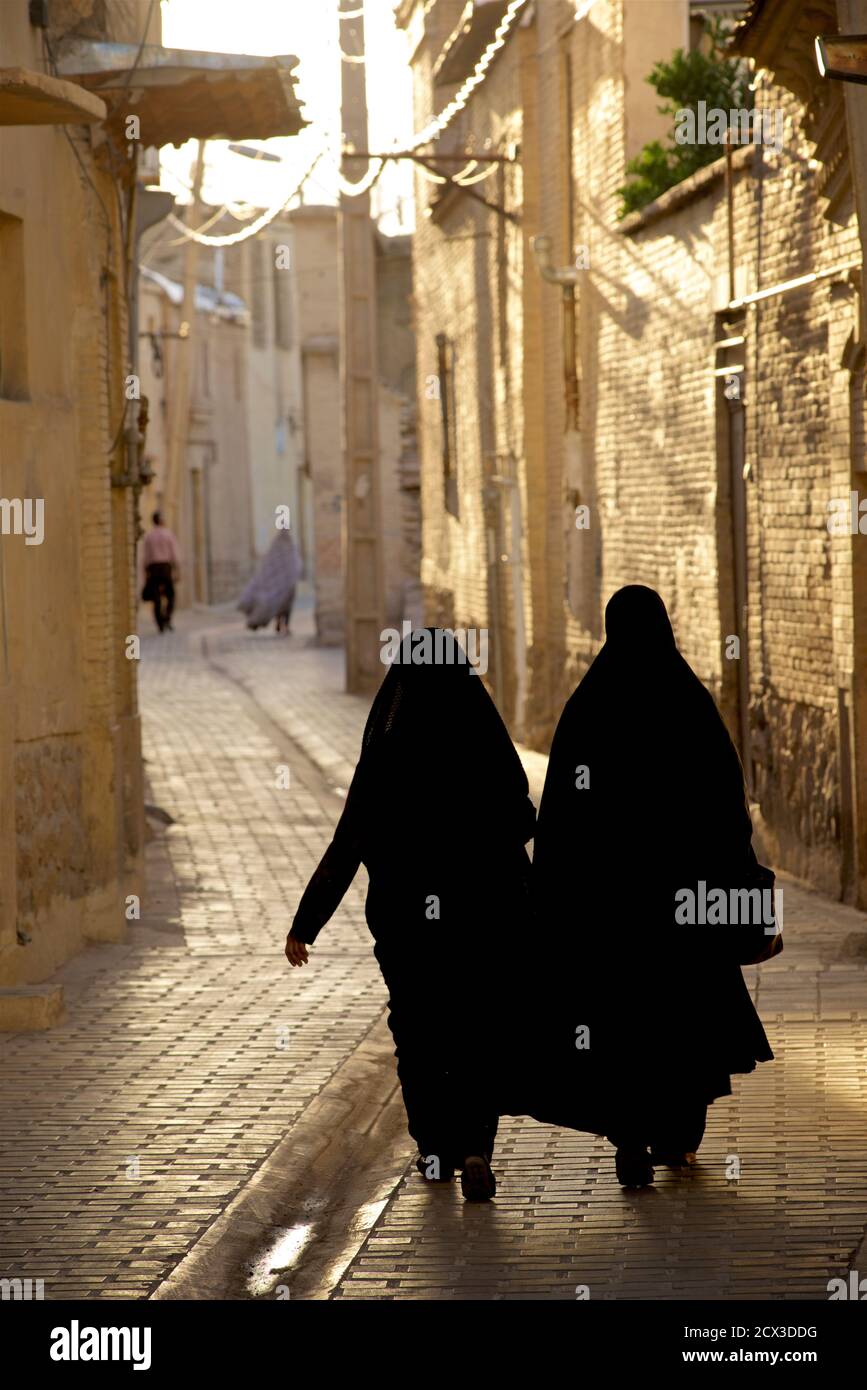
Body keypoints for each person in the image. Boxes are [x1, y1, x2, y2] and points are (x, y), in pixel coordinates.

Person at [531, 585, 774, 1188]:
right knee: (683, 1018)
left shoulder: (589, 708)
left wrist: (554, 894)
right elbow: (724, 802)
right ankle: (676, 1138)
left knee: (619, 1020)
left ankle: (631, 1137)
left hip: (609, 910)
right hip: (684, 905)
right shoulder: (688, 702)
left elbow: (560, 812)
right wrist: (734, 876)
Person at [285, 629, 536, 1201]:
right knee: (475, 1026)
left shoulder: (389, 744)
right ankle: (475, 1146)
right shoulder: (478, 729)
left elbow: (350, 837)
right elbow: (520, 813)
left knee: (418, 1029)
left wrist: (307, 921)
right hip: (479, 914)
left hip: (404, 921)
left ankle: (433, 1149)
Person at [238, 530, 301, 634]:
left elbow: (269, 563)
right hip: (286, 583)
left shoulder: (278, 545)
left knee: (280, 604)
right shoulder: (289, 546)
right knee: (284, 606)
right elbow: (294, 563)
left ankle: (281, 625)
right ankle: (282, 625)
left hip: (282, 583)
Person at [141, 511, 180, 633]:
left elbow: (146, 557)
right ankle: (167, 618)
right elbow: (174, 554)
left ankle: (160, 624)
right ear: (162, 521)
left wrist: (146, 573)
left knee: (156, 597)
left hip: (153, 568)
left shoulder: (149, 536)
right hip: (165, 567)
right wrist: (177, 570)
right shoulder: (168, 534)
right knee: (171, 595)